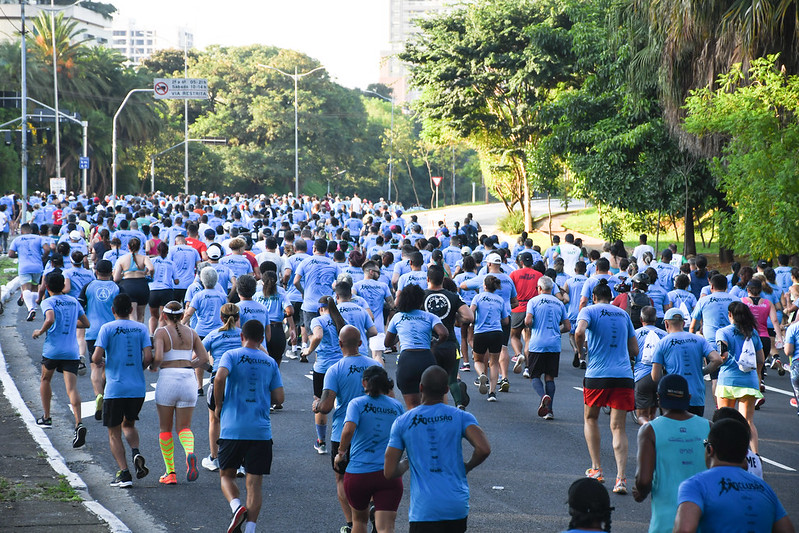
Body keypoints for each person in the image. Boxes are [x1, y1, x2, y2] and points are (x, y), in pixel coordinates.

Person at [385, 366, 491, 533]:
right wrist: (468, 466)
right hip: (456, 506)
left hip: (424, 510)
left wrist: (406, 463)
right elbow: (483, 448)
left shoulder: (403, 422)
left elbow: (389, 471)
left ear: (421, 387)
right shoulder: (461, 417)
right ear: (447, 390)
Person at [214, 319, 284, 533]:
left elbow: (219, 378)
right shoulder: (270, 362)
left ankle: (237, 507)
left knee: (226, 476)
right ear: (262, 339)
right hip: (260, 431)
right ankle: (251, 529)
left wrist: (219, 405)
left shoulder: (231, 355)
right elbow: (279, 398)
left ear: (241, 336)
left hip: (232, 428)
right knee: (254, 484)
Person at [314, 325, 381, 533]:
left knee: (342, 478)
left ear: (339, 343)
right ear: (360, 343)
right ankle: (372, 506)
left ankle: (352, 523)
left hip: (343, 432)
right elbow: (389, 397)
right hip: (372, 431)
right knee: (371, 474)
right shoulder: (375, 366)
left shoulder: (335, 369)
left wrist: (316, 405)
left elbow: (326, 406)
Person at [574, 279, 638, 494]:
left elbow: (579, 332)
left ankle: (597, 469)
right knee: (618, 427)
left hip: (597, 375)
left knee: (590, 418)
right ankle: (621, 479)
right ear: (611, 298)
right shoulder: (623, 314)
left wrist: (581, 352)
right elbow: (634, 350)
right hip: (623, 375)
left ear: (593, 297)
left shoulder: (589, 310)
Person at [674, 419, 794, 533]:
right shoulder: (764, 488)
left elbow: (685, 529)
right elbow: (786, 530)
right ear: (745, 453)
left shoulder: (696, 485)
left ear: (710, 449)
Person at [632, 374, 711, 533]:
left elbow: (644, 480)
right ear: (689, 398)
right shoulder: (709, 426)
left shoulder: (649, 430)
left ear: (659, 398)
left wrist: (640, 492)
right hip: (703, 521)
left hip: (665, 523)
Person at [92, 294, 153, 488]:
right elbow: (148, 357)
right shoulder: (141, 328)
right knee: (129, 424)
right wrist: (138, 369)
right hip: (137, 388)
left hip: (115, 389)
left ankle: (124, 473)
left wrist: (103, 362)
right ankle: (135, 451)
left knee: (113, 432)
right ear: (131, 310)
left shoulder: (107, 328)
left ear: (113, 310)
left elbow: (96, 357)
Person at [337, 366, 404, 533]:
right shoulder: (397, 406)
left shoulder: (357, 403)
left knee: (359, 522)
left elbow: (348, 430)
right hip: (388, 473)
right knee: (386, 527)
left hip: (358, 473)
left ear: (364, 383)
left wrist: (340, 453)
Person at [152, 301, 210, 485]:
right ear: (183, 315)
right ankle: (189, 452)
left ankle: (170, 473)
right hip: (188, 380)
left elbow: (158, 357)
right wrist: (188, 365)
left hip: (168, 379)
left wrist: (154, 366)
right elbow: (204, 358)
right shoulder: (192, 333)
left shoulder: (161, 332)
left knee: (165, 428)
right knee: (184, 427)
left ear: (164, 315)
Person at [32, 272, 90, 448]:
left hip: (52, 350)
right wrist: (71, 324)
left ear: (47, 287)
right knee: (71, 388)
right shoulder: (73, 301)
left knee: (45, 379)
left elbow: (50, 319)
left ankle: (46, 417)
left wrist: (40, 331)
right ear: (63, 286)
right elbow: (86, 323)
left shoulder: (48, 301)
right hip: (71, 351)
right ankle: (78, 423)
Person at [650, 308, 723, 417]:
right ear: (683, 323)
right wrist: (702, 372)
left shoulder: (662, 343)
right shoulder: (699, 340)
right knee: (694, 427)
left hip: (673, 396)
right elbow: (717, 359)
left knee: (674, 427)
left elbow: (655, 376)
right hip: (696, 396)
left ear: (666, 324)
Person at [385, 284, 448, 409]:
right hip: (426, 358)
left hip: (407, 360)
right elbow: (444, 333)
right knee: (431, 403)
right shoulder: (429, 316)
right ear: (420, 301)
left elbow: (387, 343)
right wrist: (435, 343)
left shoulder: (397, 317)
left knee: (412, 406)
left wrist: (400, 335)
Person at [715, 301, 765, 453]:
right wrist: (757, 376)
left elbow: (722, 355)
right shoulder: (753, 333)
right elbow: (761, 359)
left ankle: (726, 453)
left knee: (725, 421)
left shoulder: (723, 332)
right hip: (749, 381)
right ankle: (755, 455)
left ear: (730, 314)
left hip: (728, 380)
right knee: (748, 422)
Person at [423, 264, 473, 409]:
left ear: (428, 279)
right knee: (451, 380)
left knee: (428, 378)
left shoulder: (421, 295)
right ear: (443, 280)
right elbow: (469, 317)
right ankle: (459, 405)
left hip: (428, 344)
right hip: (450, 344)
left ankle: (429, 408)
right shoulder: (453, 297)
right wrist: (456, 316)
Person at [201, 304, 243, 473]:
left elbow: (197, 356)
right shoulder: (243, 335)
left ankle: (215, 458)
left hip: (218, 379)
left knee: (215, 420)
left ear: (221, 318)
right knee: (238, 420)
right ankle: (239, 463)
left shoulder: (214, 335)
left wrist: (209, 368)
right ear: (238, 318)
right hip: (240, 382)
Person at [78, 259, 120, 421]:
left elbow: (80, 307)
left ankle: (98, 396)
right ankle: (106, 396)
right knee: (109, 366)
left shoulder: (88, 287)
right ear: (111, 272)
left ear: (96, 271)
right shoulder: (117, 288)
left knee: (95, 366)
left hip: (93, 332)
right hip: (112, 331)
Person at [524, 275, 570, 419]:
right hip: (554, 344)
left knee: (534, 375)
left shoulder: (533, 301)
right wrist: (557, 330)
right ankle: (549, 411)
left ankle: (543, 395)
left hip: (537, 343)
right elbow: (568, 326)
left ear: (539, 288)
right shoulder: (559, 303)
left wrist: (532, 326)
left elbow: (528, 321)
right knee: (550, 377)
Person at [306, 296, 347, 454]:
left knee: (320, 403)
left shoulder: (318, 320)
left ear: (320, 308)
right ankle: (344, 438)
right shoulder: (341, 320)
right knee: (343, 402)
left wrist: (309, 350)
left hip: (323, 367)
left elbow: (317, 336)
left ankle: (321, 442)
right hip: (340, 365)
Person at [469, 275, 510, 402]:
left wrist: (473, 322)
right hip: (496, 332)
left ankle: (482, 375)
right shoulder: (500, 300)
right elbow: (506, 321)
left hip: (481, 332)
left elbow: (471, 313)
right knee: (494, 363)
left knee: (478, 360)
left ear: (484, 286)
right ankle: (492, 393)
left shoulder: (478, 297)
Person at [632, 307, 667, 425]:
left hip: (642, 376)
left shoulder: (635, 333)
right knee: (652, 413)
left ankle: (648, 430)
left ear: (641, 319)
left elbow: (630, 353)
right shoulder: (664, 334)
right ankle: (654, 431)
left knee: (642, 415)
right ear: (656, 319)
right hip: (660, 376)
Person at [10, 222, 49, 322]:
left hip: (24, 267)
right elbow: (47, 249)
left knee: (26, 288)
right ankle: (34, 307)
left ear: (22, 231)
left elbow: (10, 254)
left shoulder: (17, 239)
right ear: (31, 230)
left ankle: (31, 309)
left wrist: (19, 255)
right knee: (35, 288)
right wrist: (43, 257)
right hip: (37, 266)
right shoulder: (39, 238)